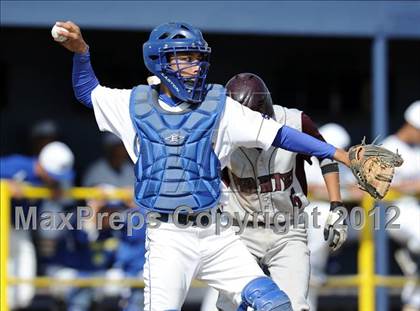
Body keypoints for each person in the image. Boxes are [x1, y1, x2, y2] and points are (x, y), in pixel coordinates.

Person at [54, 20, 355, 311]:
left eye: (198, 58)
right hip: (167, 236)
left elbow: (281, 135)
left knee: (275, 304)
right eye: (186, 58)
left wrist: (339, 154)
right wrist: (82, 53)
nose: (196, 66)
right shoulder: (134, 104)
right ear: (160, 61)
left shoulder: (221, 106)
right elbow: (87, 93)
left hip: (216, 232)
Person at [207, 73, 347, 311]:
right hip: (241, 232)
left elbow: (326, 155)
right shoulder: (218, 130)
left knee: (293, 305)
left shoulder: (294, 121)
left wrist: (337, 204)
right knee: (230, 306)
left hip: (288, 231)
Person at [0, 141, 74, 310]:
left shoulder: (53, 183)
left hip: (19, 229)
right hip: (2, 226)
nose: (56, 180)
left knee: (23, 293)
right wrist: (4, 185)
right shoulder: (17, 165)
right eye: (53, 176)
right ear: (42, 164)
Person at [303, 123, 362, 311]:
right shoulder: (306, 160)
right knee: (321, 217)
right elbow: (309, 189)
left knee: (375, 225)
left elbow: (357, 190)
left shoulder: (342, 165)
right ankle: (313, 270)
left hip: (339, 221)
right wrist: (341, 193)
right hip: (303, 218)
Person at [381, 101, 420, 311]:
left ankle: (413, 253)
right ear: (412, 126)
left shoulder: (417, 151)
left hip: (414, 210)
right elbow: (374, 185)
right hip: (393, 213)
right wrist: (411, 186)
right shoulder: (388, 146)